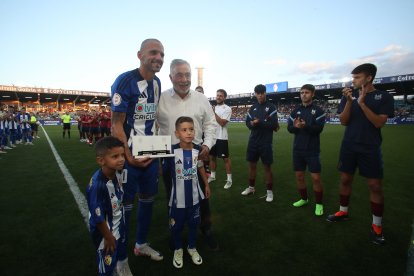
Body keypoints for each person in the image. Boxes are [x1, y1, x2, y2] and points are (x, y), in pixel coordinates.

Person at [326, 63, 394, 245]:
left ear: (369, 77)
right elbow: (344, 121)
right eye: (352, 77)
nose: (353, 80)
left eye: (357, 77)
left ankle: (377, 225)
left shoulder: (384, 97)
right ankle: (343, 211)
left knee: (374, 186)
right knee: (345, 180)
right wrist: (350, 102)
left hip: (370, 147)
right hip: (348, 146)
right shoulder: (349, 96)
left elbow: (379, 123)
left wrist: (362, 104)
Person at [111, 38, 165, 261]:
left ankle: (141, 244)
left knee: (148, 199)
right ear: (140, 55)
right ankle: (120, 257)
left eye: (162, 54)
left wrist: (158, 156)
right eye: (153, 52)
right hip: (128, 155)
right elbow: (116, 123)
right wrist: (128, 156)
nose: (159, 58)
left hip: (151, 154)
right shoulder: (125, 81)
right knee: (124, 206)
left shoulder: (158, 83)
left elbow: (154, 122)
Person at [157, 59, 219, 251]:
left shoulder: (201, 99)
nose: (184, 80)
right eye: (179, 75)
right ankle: (175, 232)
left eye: (188, 75)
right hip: (169, 156)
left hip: (196, 155)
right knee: (173, 196)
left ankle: (206, 229)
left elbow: (210, 124)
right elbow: (152, 128)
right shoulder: (161, 98)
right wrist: (155, 157)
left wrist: (207, 146)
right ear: (170, 77)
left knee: (202, 196)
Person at [164, 116, 211, 268]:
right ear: (177, 133)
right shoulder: (171, 151)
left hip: (195, 198)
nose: (188, 133)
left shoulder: (197, 149)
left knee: (193, 224)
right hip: (177, 200)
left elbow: (200, 167)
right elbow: (162, 171)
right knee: (176, 226)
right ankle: (178, 249)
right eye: (184, 130)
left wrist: (206, 185)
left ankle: (192, 247)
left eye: (191, 129)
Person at [86, 136, 133, 276]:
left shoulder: (117, 172)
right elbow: (98, 217)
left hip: (119, 222)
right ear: (101, 161)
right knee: (107, 263)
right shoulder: (97, 186)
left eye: (122, 155)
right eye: (115, 156)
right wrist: (107, 236)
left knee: (122, 251)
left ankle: (123, 268)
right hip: (106, 232)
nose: (121, 159)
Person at [287, 84, 326, 216]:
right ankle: (304, 199)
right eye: (302, 92)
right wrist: (296, 127)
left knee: (315, 178)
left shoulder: (319, 111)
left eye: (307, 92)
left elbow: (318, 130)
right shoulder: (295, 111)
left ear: (313, 94)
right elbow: (290, 129)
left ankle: (319, 204)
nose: (304, 94)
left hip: (312, 150)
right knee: (299, 176)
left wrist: (305, 126)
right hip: (297, 149)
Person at [241, 84, 279, 202]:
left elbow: (274, 125)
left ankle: (269, 192)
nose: (260, 95)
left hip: (266, 142)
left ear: (265, 93)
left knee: (267, 167)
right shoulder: (253, 108)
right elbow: (247, 123)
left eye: (262, 93)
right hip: (253, 141)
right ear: (255, 94)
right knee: (252, 166)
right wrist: (252, 124)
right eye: (258, 93)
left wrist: (260, 122)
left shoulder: (271, 107)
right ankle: (251, 188)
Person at [207, 89, 233, 189]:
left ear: (224, 97)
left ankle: (229, 179)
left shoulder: (227, 109)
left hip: (222, 137)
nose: (218, 97)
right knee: (212, 157)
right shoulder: (212, 108)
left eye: (221, 96)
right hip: (212, 137)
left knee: (225, 158)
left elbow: (222, 123)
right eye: (217, 95)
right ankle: (213, 176)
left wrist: (213, 113)